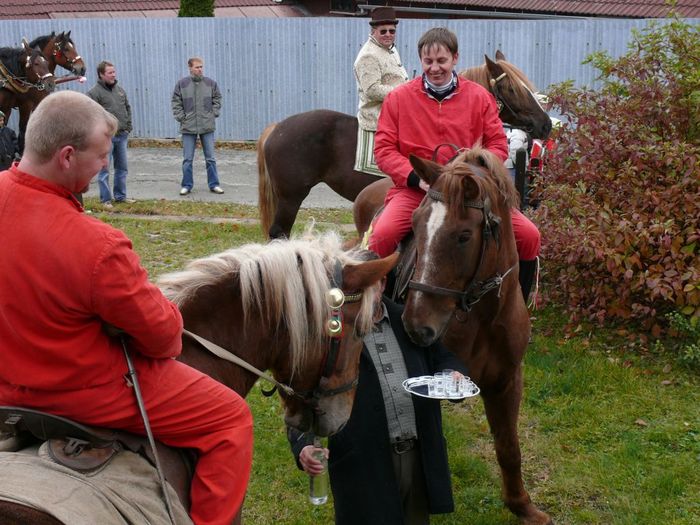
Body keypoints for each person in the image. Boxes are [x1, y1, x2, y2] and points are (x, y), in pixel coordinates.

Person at [0, 91, 253, 525]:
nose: (106, 165)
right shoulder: (97, 245)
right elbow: (165, 339)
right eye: (101, 156)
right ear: (66, 156)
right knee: (231, 420)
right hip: (80, 391)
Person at [368, 27, 541, 302]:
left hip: (470, 192)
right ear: (420, 60)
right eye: (428, 61)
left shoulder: (480, 97)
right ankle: (378, 305)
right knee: (382, 235)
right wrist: (416, 178)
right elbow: (384, 150)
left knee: (530, 236)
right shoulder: (397, 99)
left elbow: (498, 145)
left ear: (455, 58)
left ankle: (518, 300)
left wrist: (474, 172)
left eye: (442, 61)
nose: (434, 68)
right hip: (417, 190)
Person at [289, 270, 467, 525]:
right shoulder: (330, 332)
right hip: (363, 462)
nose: (358, 294)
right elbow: (300, 393)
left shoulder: (408, 320)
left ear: (383, 284)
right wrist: (303, 446)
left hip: (417, 456)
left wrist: (451, 375)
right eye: (353, 287)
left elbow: (444, 357)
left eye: (367, 286)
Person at [353, 6, 408, 176]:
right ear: (373, 31)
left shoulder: (390, 48)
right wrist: (403, 92)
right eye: (383, 31)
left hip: (396, 106)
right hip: (377, 114)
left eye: (392, 31)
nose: (388, 34)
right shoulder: (369, 55)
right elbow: (371, 90)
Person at [171, 56, 224, 196]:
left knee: (210, 158)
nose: (200, 69)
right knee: (187, 159)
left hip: (207, 126)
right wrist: (181, 117)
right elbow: (176, 102)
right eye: (197, 67)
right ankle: (186, 185)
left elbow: (217, 98)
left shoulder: (210, 83)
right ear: (190, 68)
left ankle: (214, 184)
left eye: (201, 67)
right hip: (188, 127)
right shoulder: (182, 84)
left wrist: (213, 113)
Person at [87, 60, 134, 207]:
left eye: (114, 72)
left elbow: (127, 108)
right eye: (110, 72)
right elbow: (91, 115)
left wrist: (128, 126)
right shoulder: (94, 93)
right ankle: (106, 200)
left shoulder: (120, 90)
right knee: (104, 169)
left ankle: (120, 196)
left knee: (122, 168)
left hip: (122, 135)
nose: (113, 75)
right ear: (101, 75)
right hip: (106, 138)